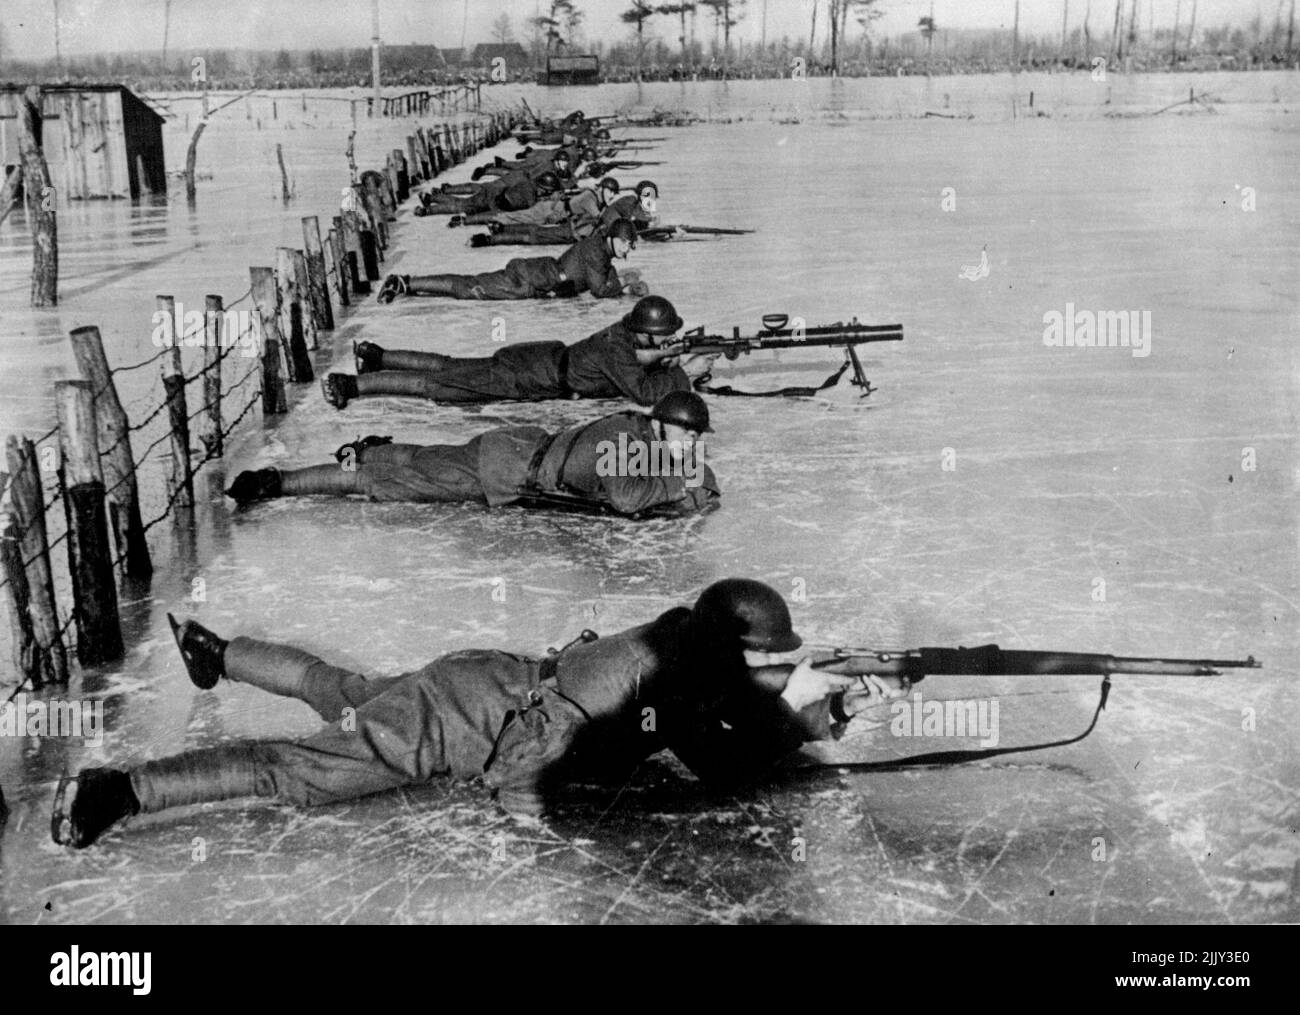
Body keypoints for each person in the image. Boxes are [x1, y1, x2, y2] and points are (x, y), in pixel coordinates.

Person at [50, 579, 909, 848]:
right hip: (459, 725)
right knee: (299, 770)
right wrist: (547, 844)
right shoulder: (643, 687)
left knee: (344, 690)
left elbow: (715, 729)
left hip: (484, 677)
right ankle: (119, 789)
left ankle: (216, 653)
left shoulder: (680, 639)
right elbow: (518, 774)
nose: (771, 664)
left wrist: (815, 703)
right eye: (766, 654)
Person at [225, 390, 721, 519]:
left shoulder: (637, 428)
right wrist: (683, 481)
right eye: (686, 436)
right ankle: (280, 482)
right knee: (392, 484)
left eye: (696, 439)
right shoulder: (627, 443)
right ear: (659, 426)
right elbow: (630, 499)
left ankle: (377, 449)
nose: (691, 445)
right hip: (504, 469)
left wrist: (683, 465)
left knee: (431, 458)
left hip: (519, 446)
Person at [322, 295, 717, 409]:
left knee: (449, 365)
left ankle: (378, 356)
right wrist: (687, 372)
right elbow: (644, 394)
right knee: (441, 386)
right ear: (645, 333)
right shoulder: (619, 351)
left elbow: (635, 361)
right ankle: (353, 386)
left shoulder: (622, 334)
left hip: (535, 359)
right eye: (661, 336)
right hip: (528, 376)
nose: (663, 340)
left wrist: (665, 355)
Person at [373, 219, 643, 304]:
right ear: (617, 239)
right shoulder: (596, 252)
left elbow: (602, 278)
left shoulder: (600, 250)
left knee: (471, 287)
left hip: (535, 276)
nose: (628, 251)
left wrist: (619, 278)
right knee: (471, 288)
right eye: (628, 245)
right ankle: (404, 282)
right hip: (527, 280)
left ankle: (409, 284)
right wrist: (626, 284)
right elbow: (600, 290)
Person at [449, 177, 621, 247]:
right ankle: (466, 220)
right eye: (610, 192)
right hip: (550, 210)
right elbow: (598, 217)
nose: (612, 196)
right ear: (602, 189)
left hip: (555, 212)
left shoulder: (593, 196)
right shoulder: (591, 198)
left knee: (520, 221)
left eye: (614, 194)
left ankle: (496, 227)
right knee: (513, 216)